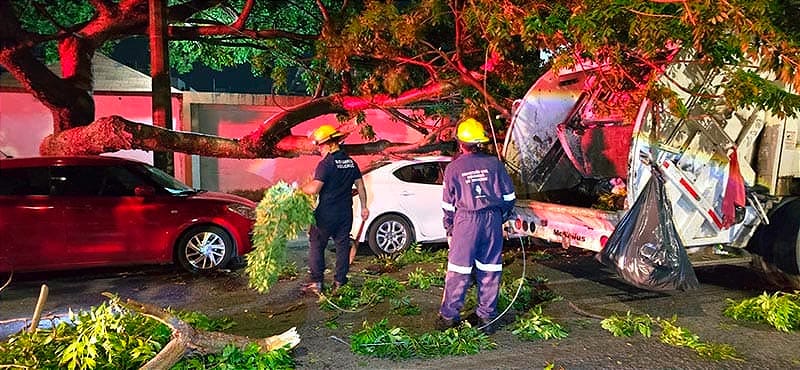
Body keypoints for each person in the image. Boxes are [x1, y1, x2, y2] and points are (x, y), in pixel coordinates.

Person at [437, 118, 516, 334]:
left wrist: (450, 229)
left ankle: (449, 318)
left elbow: (448, 204)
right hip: (492, 220)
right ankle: (486, 318)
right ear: (480, 142)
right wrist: (502, 217)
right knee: (490, 269)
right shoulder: (495, 164)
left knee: (459, 271)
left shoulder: (453, 168)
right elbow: (509, 197)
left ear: (461, 143)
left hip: (466, 221)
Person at [300, 124, 369, 295]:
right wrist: (364, 207)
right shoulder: (351, 163)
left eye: (321, 146)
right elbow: (360, 186)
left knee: (316, 244)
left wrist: (299, 189)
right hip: (345, 213)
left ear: (331, 143)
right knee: (342, 246)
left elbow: (315, 188)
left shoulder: (326, 164)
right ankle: (340, 281)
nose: (320, 150)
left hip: (326, 214)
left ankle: (316, 282)